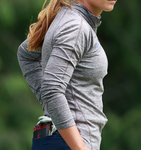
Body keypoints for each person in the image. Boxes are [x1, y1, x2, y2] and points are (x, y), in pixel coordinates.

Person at [17, 0, 117, 150]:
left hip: (58, 140)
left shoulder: (69, 21)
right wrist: (80, 148)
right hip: (69, 143)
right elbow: (52, 88)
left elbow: (26, 54)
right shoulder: (76, 27)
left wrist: (51, 107)